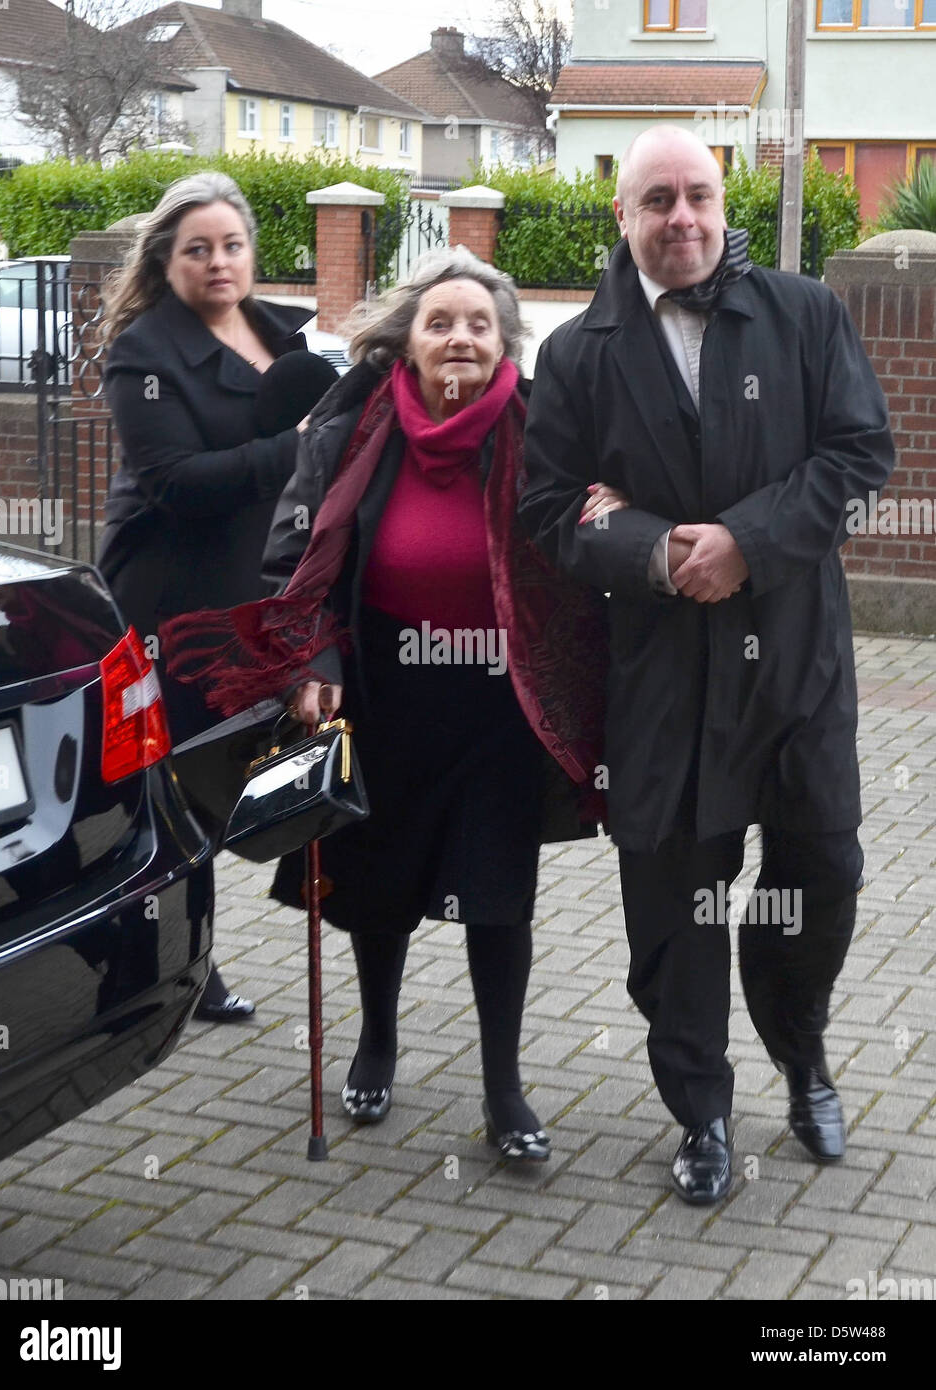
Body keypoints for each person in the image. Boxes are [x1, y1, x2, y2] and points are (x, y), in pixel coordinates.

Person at [162, 246, 608, 1161]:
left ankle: (505, 1091)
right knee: (376, 890)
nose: (459, 338)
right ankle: (376, 1041)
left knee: (499, 901)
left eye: (479, 325)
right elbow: (293, 558)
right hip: (379, 699)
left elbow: (580, 548)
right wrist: (311, 657)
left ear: (504, 343)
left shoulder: (542, 432)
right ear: (407, 340)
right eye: (440, 322)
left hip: (499, 706)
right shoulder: (350, 430)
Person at [519, 125, 895, 1203]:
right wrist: (649, 550)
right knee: (677, 909)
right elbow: (549, 509)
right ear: (622, 217)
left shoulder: (804, 313)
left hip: (795, 665)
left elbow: (860, 453)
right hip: (662, 677)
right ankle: (702, 1110)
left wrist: (746, 541)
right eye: (657, 201)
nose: (681, 217)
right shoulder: (577, 353)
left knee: (821, 871)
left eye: (698, 196)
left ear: (722, 205)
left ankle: (802, 1048)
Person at [98, 171, 337, 1023]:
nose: (218, 261)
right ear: (167, 262)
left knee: (255, 765)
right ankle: (183, 963)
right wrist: (295, 447)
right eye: (197, 249)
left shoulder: (285, 338)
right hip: (172, 591)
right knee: (174, 780)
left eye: (232, 245)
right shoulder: (142, 355)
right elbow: (173, 484)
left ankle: (179, 944)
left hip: (260, 582)